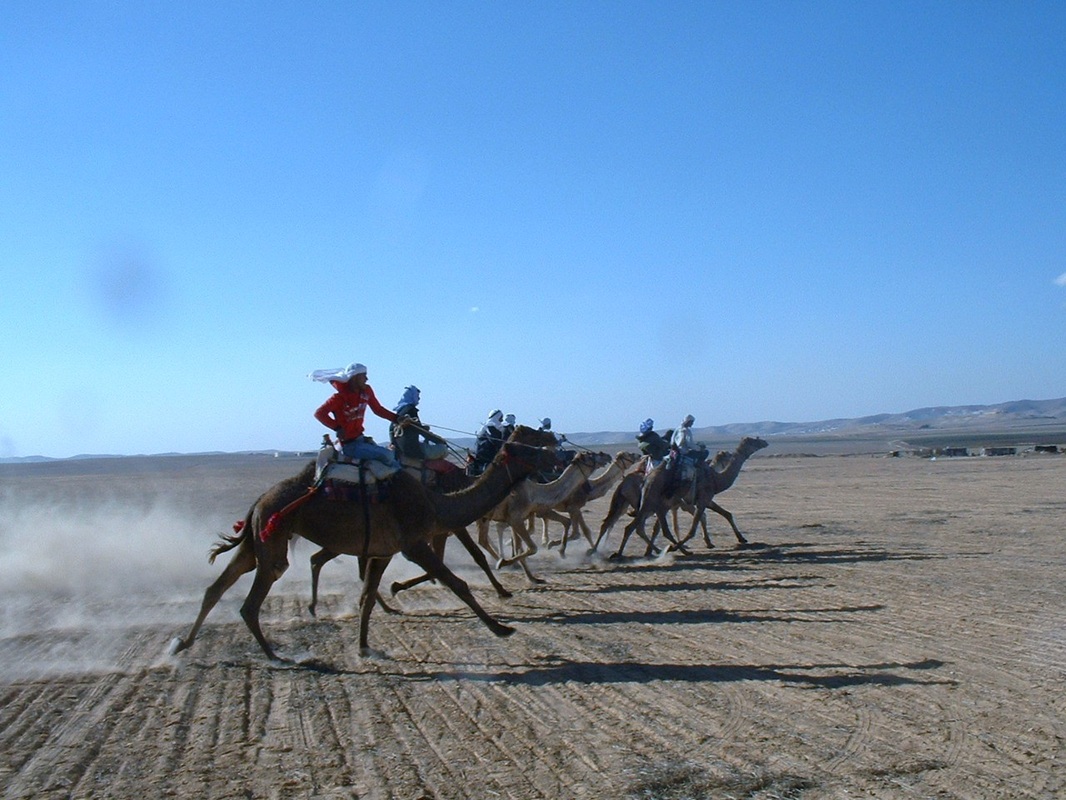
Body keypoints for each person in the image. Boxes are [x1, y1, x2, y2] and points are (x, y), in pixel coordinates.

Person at [310, 362, 401, 468]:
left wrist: (397, 418)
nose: (366, 379)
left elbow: (378, 409)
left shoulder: (366, 391)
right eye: (364, 376)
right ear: (355, 377)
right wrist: (337, 427)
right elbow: (319, 413)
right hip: (349, 446)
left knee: (393, 456)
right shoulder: (339, 398)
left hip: (361, 439)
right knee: (388, 455)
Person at [390, 385, 448, 462]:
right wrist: (439, 440)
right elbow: (421, 431)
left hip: (400, 450)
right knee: (443, 449)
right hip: (413, 450)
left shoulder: (399, 412)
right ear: (413, 396)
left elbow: (392, 430)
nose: (419, 398)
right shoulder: (411, 410)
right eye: (417, 396)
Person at [469, 409, 506, 475]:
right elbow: (495, 441)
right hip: (485, 456)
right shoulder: (490, 427)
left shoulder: (490, 426)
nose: (502, 420)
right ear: (497, 417)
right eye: (501, 418)